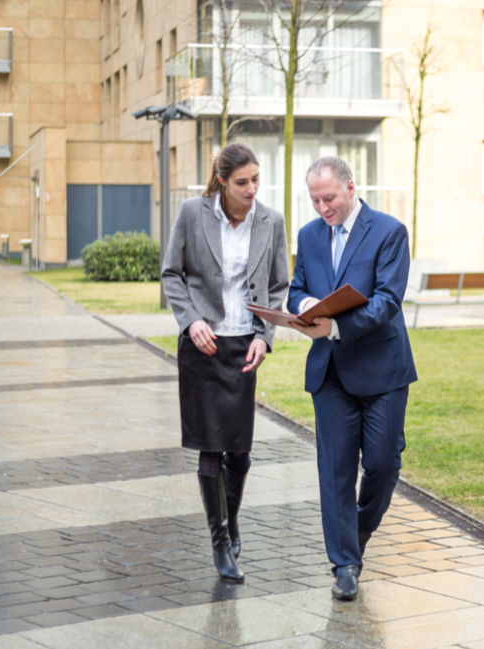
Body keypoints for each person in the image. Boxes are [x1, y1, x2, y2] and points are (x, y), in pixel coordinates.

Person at [287, 156, 417, 601]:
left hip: (382, 370)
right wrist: (303, 305)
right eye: (315, 199)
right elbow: (297, 286)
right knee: (336, 471)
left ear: (351, 187)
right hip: (331, 373)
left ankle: (358, 529)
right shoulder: (308, 235)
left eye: (330, 198)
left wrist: (337, 326)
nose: (323, 207)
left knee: (382, 464)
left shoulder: (389, 231)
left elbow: (387, 300)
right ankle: (344, 564)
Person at [161, 142, 289, 583]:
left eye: (256, 179)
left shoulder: (271, 221)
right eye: (242, 182)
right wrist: (191, 320)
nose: (252, 189)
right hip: (203, 347)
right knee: (210, 447)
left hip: (242, 349)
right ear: (222, 182)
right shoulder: (192, 214)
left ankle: (231, 523)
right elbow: (171, 274)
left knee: (241, 450)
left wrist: (264, 337)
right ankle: (220, 542)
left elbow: (278, 285)